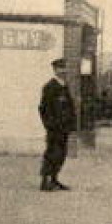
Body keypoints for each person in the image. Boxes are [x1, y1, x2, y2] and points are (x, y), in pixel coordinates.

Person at [38, 57, 76, 192]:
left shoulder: (64, 86)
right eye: (60, 68)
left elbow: (70, 107)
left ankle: (54, 179)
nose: (63, 71)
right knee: (51, 153)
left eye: (64, 68)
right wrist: (49, 125)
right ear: (55, 70)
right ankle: (45, 181)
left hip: (64, 128)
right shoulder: (50, 87)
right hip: (54, 129)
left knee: (61, 154)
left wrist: (72, 124)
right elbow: (43, 109)